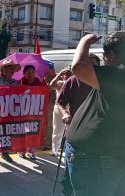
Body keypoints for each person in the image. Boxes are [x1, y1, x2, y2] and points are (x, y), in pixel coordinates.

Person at [63, 32, 125, 196]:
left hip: (95, 155)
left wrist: (84, 41)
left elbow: (78, 67)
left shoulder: (118, 73)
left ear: (110, 56)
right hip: (110, 153)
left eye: (103, 55)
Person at [56, 54, 100, 196]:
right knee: (71, 171)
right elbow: (60, 101)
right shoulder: (73, 81)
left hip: (97, 135)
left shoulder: (103, 82)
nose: (91, 68)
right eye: (89, 65)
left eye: (95, 65)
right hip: (75, 132)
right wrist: (65, 113)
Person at [18, 65, 44, 159]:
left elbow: (43, 94)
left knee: (33, 131)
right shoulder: (19, 82)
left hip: (34, 111)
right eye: (28, 72)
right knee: (23, 131)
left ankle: (31, 150)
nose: (30, 74)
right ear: (24, 73)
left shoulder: (38, 82)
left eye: (32, 72)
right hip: (22, 112)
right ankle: (22, 150)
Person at [48, 68, 72, 156]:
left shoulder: (73, 83)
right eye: (65, 75)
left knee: (69, 131)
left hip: (70, 111)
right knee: (57, 131)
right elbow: (51, 85)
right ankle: (55, 149)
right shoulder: (60, 83)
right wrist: (59, 74)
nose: (66, 76)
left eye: (68, 75)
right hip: (58, 110)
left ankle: (68, 149)